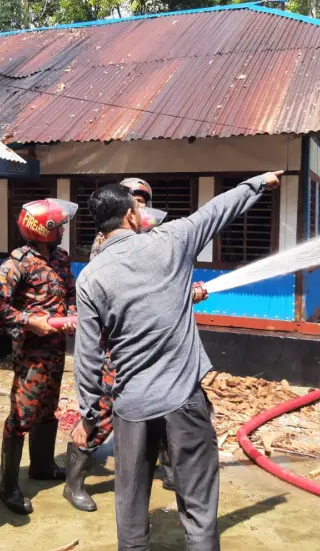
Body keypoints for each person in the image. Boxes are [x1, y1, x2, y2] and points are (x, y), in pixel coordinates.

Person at [73, 171, 282, 550]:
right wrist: (258, 184)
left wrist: (89, 414)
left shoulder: (90, 278)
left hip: (131, 407)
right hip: (183, 399)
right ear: (132, 216)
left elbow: (87, 357)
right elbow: (216, 211)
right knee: (199, 508)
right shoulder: (171, 240)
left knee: (131, 508)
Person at [64, 198, 209, 512]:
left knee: (163, 414)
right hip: (114, 352)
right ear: (125, 212)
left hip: (150, 353)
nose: (142, 210)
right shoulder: (105, 247)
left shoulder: (148, 235)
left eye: (144, 202)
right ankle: (73, 483)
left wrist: (186, 292)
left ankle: (170, 472)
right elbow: (125, 290)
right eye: (137, 203)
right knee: (100, 416)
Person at [0, 198, 78, 515]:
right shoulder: (18, 262)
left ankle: (42, 465)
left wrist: (72, 314)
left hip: (56, 348)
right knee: (22, 414)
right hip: (30, 352)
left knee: (48, 407)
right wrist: (27, 321)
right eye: (60, 224)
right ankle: (8, 485)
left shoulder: (61, 259)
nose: (64, 229)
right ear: (45, 228)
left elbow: (69, 294)